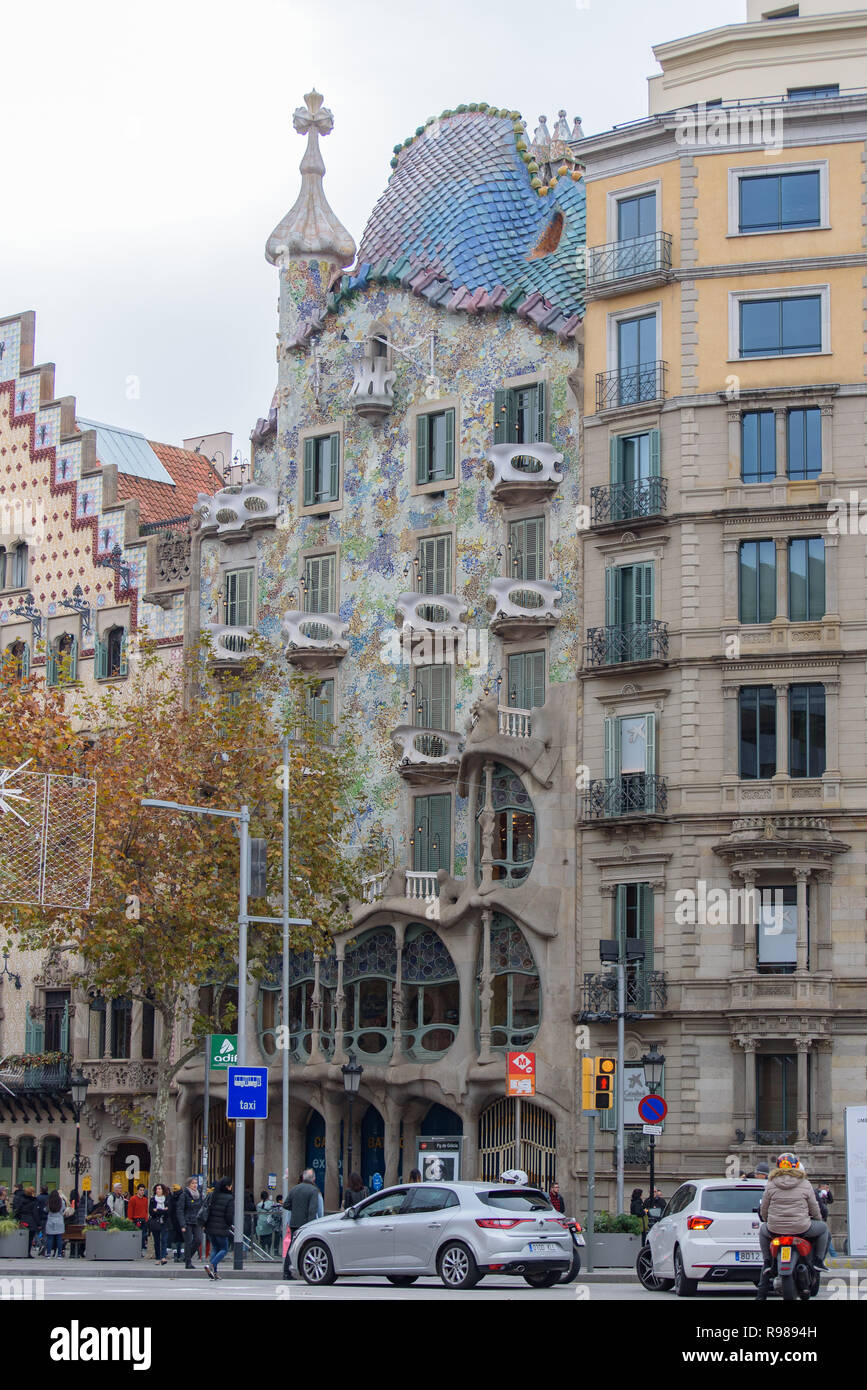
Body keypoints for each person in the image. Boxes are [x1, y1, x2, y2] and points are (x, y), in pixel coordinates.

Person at [756, 1153, 829, 1299]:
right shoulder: (804, 1183)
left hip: (775, 1229)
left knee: (762, 1230)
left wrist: (766, 1220)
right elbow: (814, 1208)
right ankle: (818, 1261)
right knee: (823, 1229)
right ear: (796, 1166)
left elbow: (764, 1208)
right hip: (801, 1228)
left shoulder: (770, 1183)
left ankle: (767, 1261)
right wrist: (818, 1219)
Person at [282, 1169, 321, 1279]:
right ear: (313, 1178)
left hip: (294, 1223)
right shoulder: (313, 1190)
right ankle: (309, 1271)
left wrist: (295, 1209)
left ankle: (286, 1271)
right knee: (309, 1247)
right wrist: (312, 1225)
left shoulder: (295, 1189)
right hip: (306, 1224)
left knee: (292, 1247)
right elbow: (312, 1210)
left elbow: (285, 1205)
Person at [203, 1177, 234, 1281]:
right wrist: (229, 1224)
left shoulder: (212, 1195)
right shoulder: (229, 1198)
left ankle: (214, 1273)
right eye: (230, 1185)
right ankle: (211, 1265)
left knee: (215, 1248)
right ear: (227, 1187)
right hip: (222, 1227)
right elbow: (229, 1216)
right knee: (224, 1249)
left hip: (210, 1227)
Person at [178, 1177, 203, 1269]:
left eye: (196, 1183)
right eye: (193, 1183)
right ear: (189, 1185)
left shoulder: (199, 1195)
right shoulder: (184, 1195)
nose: (195, 1185)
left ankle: (186, 1256)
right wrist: (182, 1224)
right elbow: (180, 1210)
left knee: (198, 1240)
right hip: (187, 1221)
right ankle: (188, 1262)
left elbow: (202, 1208)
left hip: (196, 1221)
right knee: (188, 1242)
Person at [149, 1183, 171, 1265]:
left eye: (160, 1189)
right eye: (157, 1189)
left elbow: (168, 1211)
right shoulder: (152, 1199)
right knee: (157, 1240)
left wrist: (157, 1210)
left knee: (164, 1240)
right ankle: (158, 1257)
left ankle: (163, 1257)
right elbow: (151, 1211)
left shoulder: (167, 1199)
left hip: (165, 1222)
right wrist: (162, 1210)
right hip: (155, 1222)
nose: (158, 1190)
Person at [814, 1182, 837, 1256]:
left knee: (825, 1235)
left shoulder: (824, 1194)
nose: (828, 1189)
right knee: (826, 1235)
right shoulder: (816, 1193)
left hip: (822, 1218)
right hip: (818, 1218)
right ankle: (833, 1254)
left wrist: (828, 1192)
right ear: (822, 1187)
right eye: (826, 1188)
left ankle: (831, 1254)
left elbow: (831, 1201)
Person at [127, 1183, 149, 1255]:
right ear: (137, 1191)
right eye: (140, 1190)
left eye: (143, 1190)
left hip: (144, 1219)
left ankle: (140, 1250)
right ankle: (135, 1250)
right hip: (136, 1220)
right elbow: (130, 1210)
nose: (142, 1192)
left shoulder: (145, 1200)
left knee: (143, 1236)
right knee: (136, 1236)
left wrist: (146, 1218)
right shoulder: (133, 1199)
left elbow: (146, 1210)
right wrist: (130, 1219)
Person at [17, 1184, 39, 1255]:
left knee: (22, 1237)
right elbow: (35, 1213)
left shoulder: (21, 1200)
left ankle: (21, 1252)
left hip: (23, 1219)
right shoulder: (34, 1201)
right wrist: (38, 1223)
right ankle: (28, 1253)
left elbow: (18, 1210)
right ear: (32, 1193)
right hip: (31, 1220)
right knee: (30, 1238)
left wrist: (19, 1218)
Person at [44, 1189, 65, 1258]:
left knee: (50, 1238)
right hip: (59, 1220)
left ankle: (48, 1253)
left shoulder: (49, 1202)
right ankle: (59, 1254)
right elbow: (63, 1210)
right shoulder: (61, 1202)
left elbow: (45, 1210)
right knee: (59, 1239)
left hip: (50, 1220)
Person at [256, 1189, 277, 1255]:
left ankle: (263, 1250)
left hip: (261, 1222)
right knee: (269, 1236)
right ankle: (268, 1251)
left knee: (262, 1237)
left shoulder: (259, 1205)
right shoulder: (271, 1203)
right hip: (269, 1222)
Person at [168, 1184, 184, 1262]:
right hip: (180, 1221)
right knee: (181, 1239)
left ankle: (176, 1255)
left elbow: (170, 1210)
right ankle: (180, 1255)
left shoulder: (172, 1198)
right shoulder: (182, 1197)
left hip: (174, 1221)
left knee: (175, 1239)